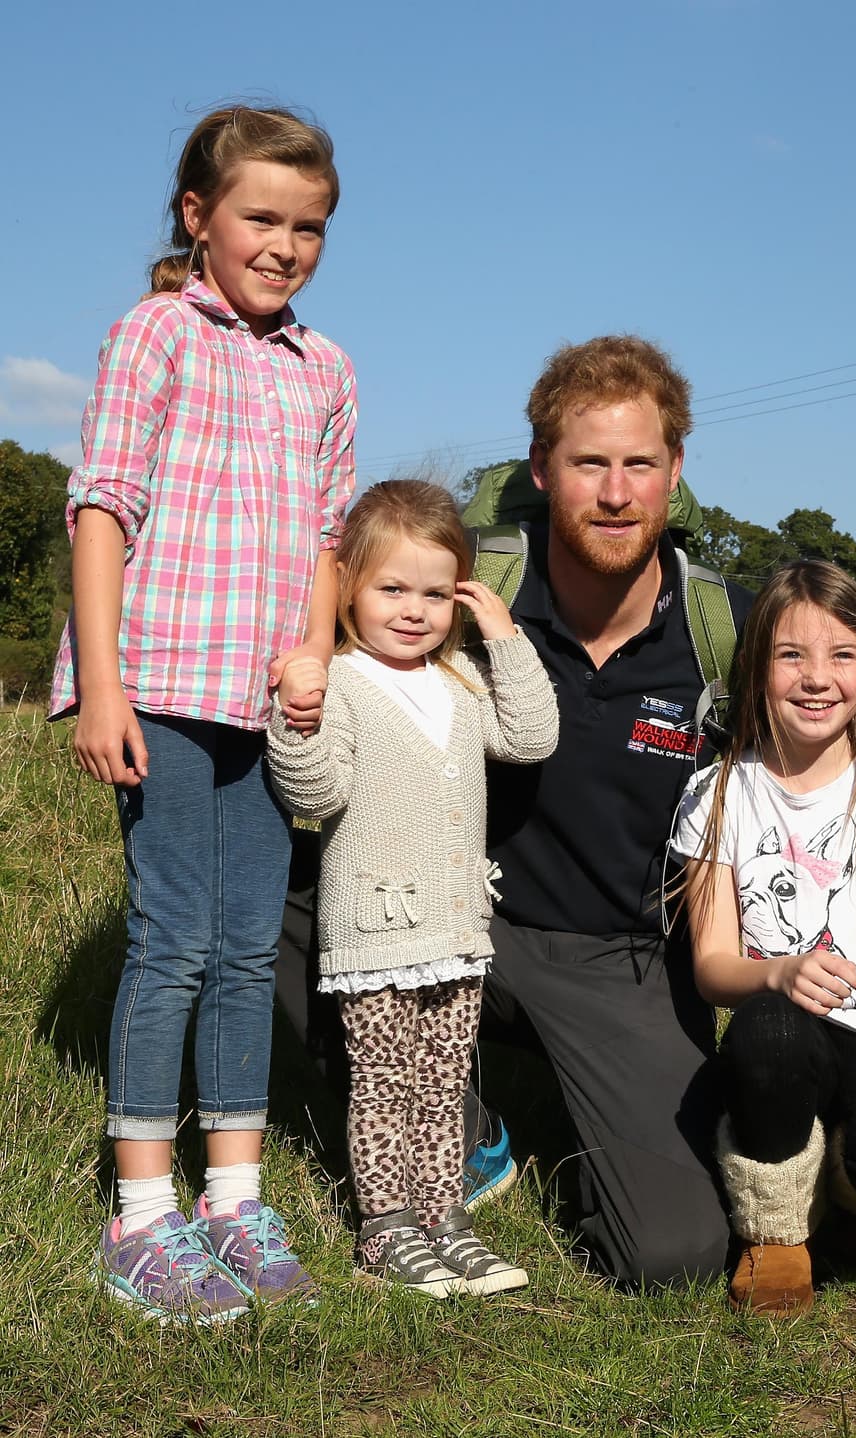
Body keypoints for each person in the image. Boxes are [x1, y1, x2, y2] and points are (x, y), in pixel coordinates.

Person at [48, 105, 357, 1323]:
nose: (285, 245)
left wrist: (316, 648)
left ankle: (234, 1201)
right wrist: (104, 682)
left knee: (244, 948)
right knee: (173, 937)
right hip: (164, 685)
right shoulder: (154, 335)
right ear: (200, 218)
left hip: (266, 700)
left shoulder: (325, 368)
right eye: (261, 218)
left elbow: (329, 537)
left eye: (310, 226)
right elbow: (102, 507)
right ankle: (140, 1217)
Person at [468, 335, 756, 1287]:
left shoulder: (731, 634)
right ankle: (457, 1123)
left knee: (675, 1257)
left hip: (628, 963)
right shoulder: (471, 602)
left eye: (641, 464)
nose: (618, 492)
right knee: (269, 903)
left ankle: (598, 1130)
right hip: (471, 925)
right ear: (543, 470)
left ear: (677, 471)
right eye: (590, 463)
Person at [266, 481, 557, 1296]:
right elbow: (314, 797)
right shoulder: (344, 682)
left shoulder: (461, 677)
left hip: (458, 928)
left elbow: (532, 736)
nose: (413, 609)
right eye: (391, 588)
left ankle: (446, 1220)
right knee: (383, 1086)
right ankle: (386, 1229)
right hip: (377, 932)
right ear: (347, 588)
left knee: (444, 1083)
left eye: (436, 592)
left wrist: (503, 635)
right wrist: (296, 717)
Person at [671, 560, 856, 1316]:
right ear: (757, 666)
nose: (816, 678)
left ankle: (850, 1190)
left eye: (841, 655)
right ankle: (776, 1235)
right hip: (783, 1038)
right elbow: (711, 965)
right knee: (767, 1031)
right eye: (790, 655)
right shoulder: (718, 790)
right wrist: (776, 974)